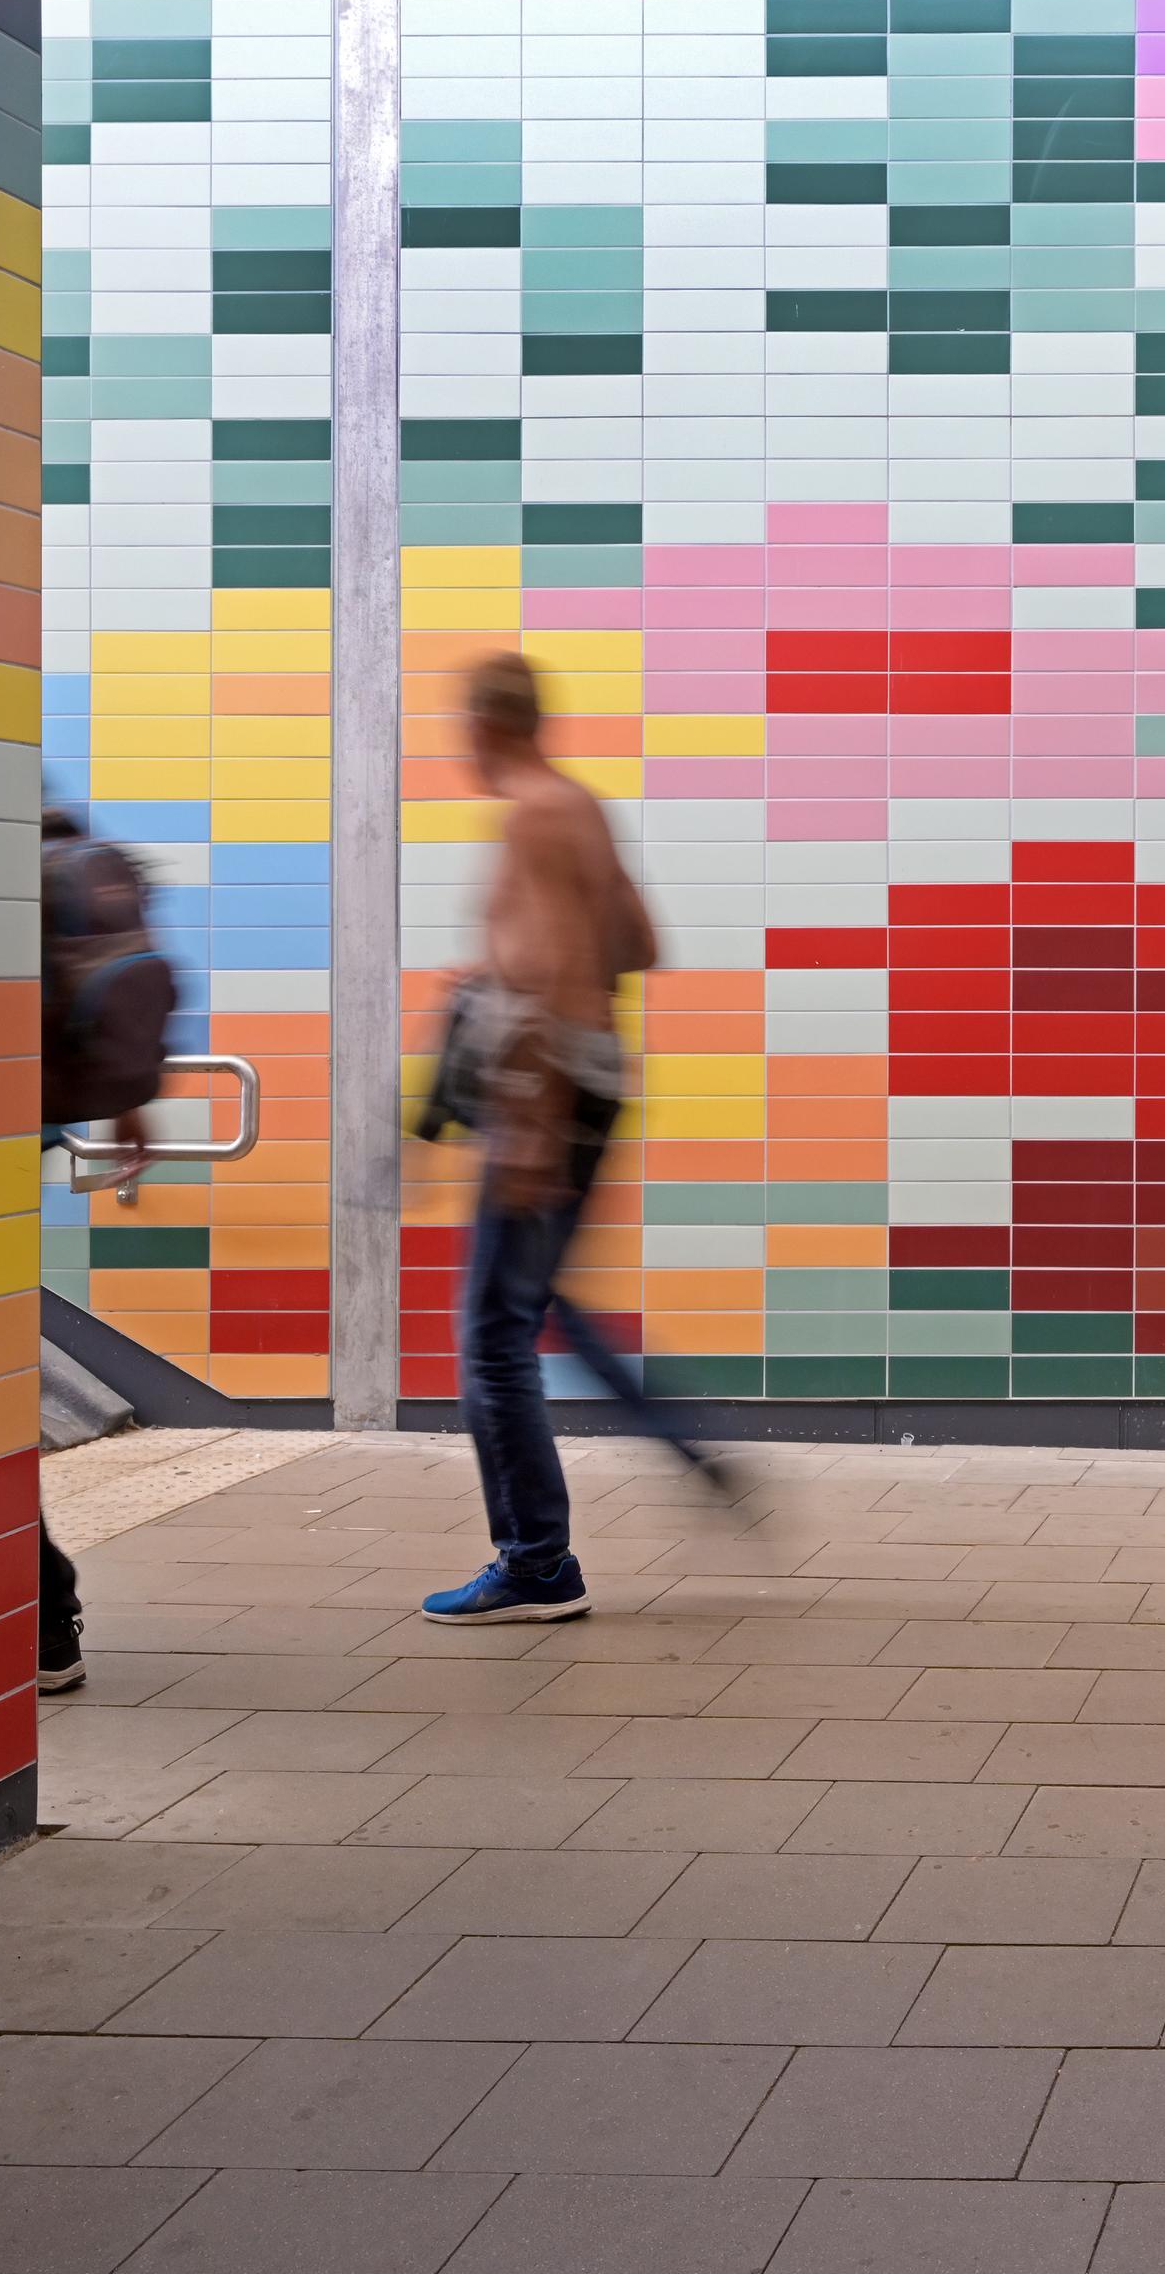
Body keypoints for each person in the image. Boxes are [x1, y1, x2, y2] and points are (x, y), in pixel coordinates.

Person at [424, 650, 709, 1625]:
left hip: (545, 1100)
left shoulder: (532, 812)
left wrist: (535, 1123)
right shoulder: (579, 804)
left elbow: (551, 972)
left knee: (493, 1334)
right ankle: (669, 1452)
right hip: (595, 1082)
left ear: (484, 725)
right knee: (530, 1306)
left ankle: (536, 1559)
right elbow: (637, 941)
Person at [37, 806, 176, 1692]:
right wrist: (124, 1096)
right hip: (31, 1129)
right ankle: (47, 1623)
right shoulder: (74, 859)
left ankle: (42, 1618)